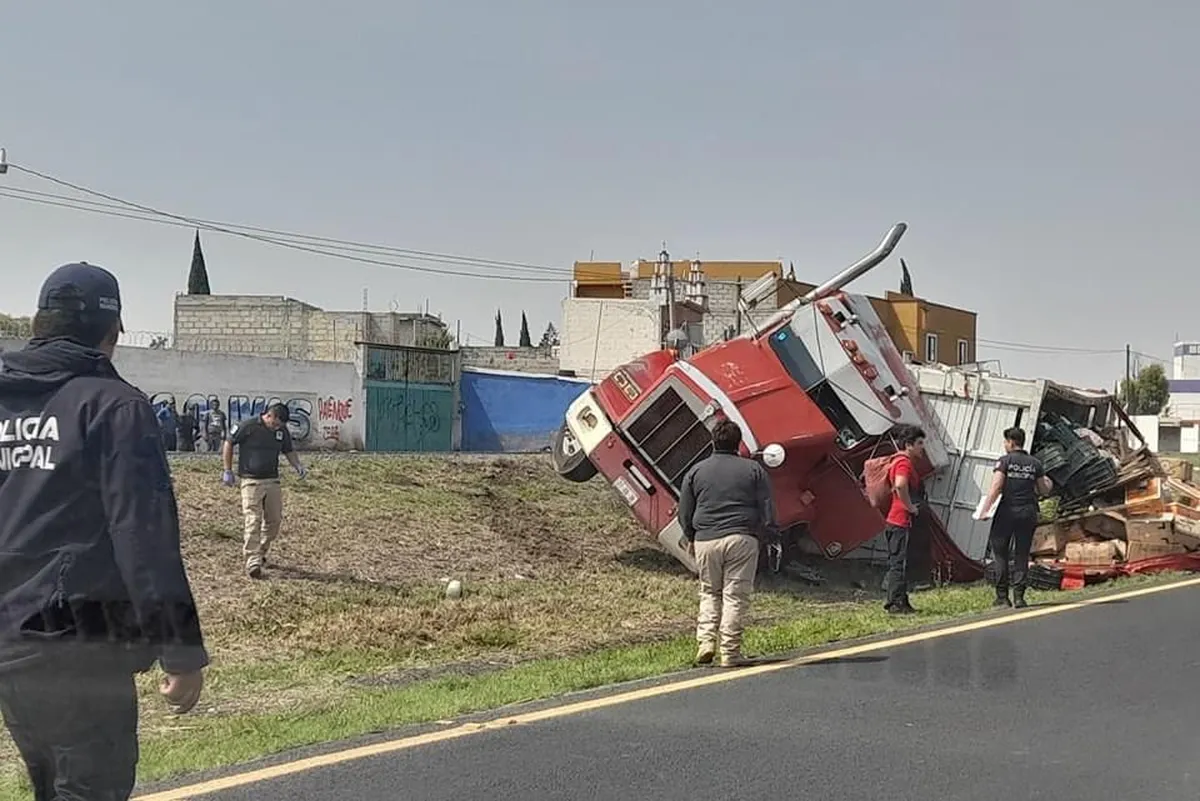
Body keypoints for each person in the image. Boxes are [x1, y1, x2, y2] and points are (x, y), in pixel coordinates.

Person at [0, 262, 209, 801]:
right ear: (111, 332)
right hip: (79, 644)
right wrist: (181, 651)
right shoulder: (114, 407)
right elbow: (143, 538)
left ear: (40, 323)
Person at [677, 419, 778, 668]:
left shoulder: (696, 471)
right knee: (734, 596)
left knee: (710, 592)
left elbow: (684, 511)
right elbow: (767, 509)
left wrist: (691, 536)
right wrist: (769, 536)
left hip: (705, 539)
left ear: (713, 441)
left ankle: (706, 642)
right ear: (738, 443)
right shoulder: (753, 470)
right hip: (742, 538)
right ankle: (730, 653)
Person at [222, 403, 307, 579]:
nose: (277, 428)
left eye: (280, 426)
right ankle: (252, 560)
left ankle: (261, 549)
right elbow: (229, 443)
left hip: (273, 481)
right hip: (251, 481)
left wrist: (297, 465)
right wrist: (227, 470)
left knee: (274, 521)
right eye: (275, 424)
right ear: (269, 416)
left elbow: (288, 450)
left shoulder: (281, 432)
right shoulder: (248, 426)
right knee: (253, 519)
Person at [977, 427, 1053, 609]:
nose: (1005, 445)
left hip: (1007, 512)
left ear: (1011, 442)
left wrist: (984, 510)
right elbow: (1044, 489)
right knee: (1022, 553)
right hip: (1028, 512)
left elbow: (996, 486)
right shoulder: (1035, 463)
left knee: (1000, 553)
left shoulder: (1004, 461)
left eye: (1005, 442)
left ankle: (1002, 597)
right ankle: (1019, 597)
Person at [883, 424, 928, 615]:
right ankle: (894, 603)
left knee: (902, 562)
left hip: (897, 520)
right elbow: (901, 485)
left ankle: (902, 600)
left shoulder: (901, 462)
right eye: (919, 443)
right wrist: (910, 507)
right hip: (900, 520)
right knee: (898, 563)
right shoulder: (903, 463)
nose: (922, 447)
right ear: (908, 445)